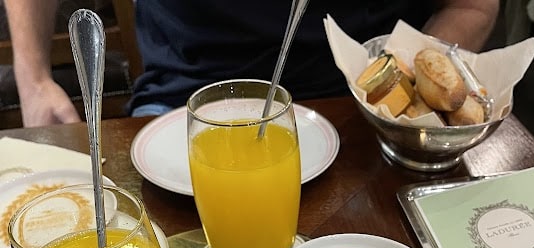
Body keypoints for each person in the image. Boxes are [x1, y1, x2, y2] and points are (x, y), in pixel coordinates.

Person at [4, 0, 499, 127]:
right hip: (181, 100)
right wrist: (33, 78)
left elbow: (473, 7)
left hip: (369, 110)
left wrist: (417, 80)